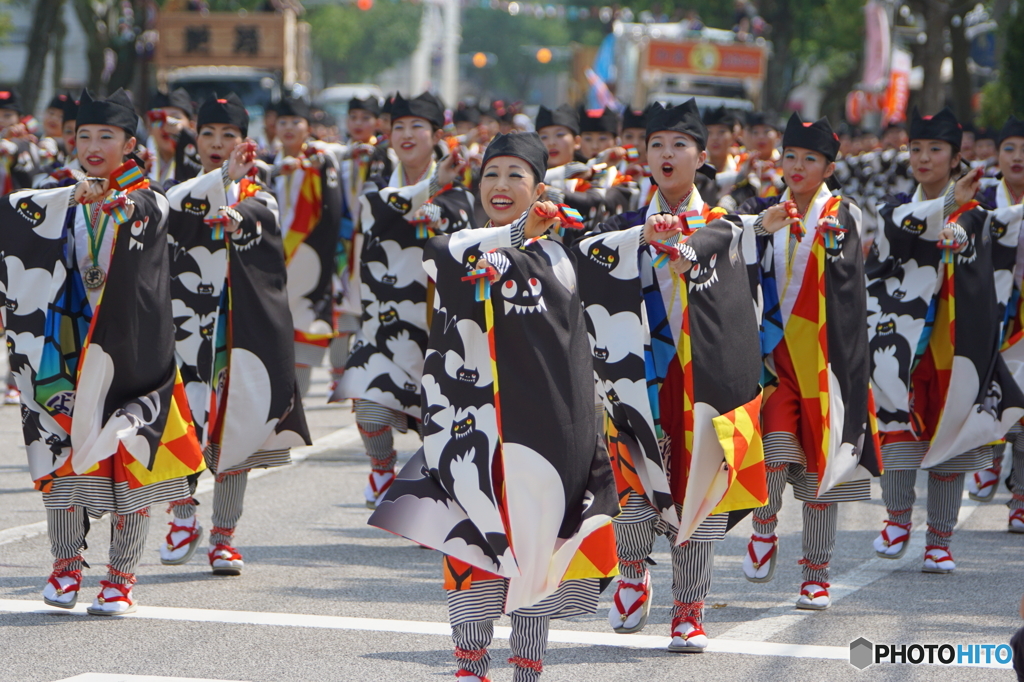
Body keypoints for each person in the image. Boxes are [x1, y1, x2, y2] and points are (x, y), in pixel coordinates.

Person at [369, 132, 620, 681]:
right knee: (468, 547)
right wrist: (513, 237)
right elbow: (444, 257)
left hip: (545, 437)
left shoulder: (565, 255)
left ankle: (526, 669)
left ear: (540, 187)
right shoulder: (463, 244)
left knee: (536, 553)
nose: (501, 186)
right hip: (470, 434)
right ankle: (470, 664)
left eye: (516, 175)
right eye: (492, 174)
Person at [0, 88, 205, 615]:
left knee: (127, 457)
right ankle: (66, 567)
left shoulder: (148, 197)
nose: (93, 145)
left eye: (106, 137)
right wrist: (74, 198)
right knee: (64, 461)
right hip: (64, 349)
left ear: (129, 144)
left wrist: (122, 202)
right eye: (84, 135)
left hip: (129, 348)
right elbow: (18, 220)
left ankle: (121, 577)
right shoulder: (56, 198)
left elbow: (148, 213)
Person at [579, 99, 765, 653]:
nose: (667, 154)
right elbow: (588, 256)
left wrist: (687, 246)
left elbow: (735, 247)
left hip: (702, 379)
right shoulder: (620, 224)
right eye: (656, 144)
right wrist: (641, 239)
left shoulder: (726, 223)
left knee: (699, 494)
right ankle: (633, 572)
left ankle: (690, 609)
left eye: (679, 145)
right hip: (640, 378)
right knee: (634, 496)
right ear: (644, 157)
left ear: (703, 157)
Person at [866, 107, 1024, 573]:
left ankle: (939, 539)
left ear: (957, 156)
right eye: (916, 148)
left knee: (949, 438)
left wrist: (963, 237)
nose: (923, 157)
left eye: (935, 149)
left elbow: (991, 246)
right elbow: (901, 232)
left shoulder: (976, 214)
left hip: (954, 348)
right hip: (901, 345)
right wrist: (948, 212)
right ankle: (896, 520)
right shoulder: (894, 207)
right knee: (897, 431)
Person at [159, 93, 312, 574]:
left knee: (234, 431)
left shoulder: (259, 195)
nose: (217, 143)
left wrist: (238, 216)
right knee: (178, 424)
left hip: (237, 335)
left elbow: (264, 223)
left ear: (246, 143)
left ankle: (224, 535)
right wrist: (220, 184)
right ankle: (183, 515)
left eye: (229, 136)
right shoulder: (175, 191)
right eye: (208, 134)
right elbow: (171, 212)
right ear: (195, 140)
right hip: (182, 331)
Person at [737, 113, 881, 609]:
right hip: (775, 364)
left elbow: (847, 282)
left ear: (829, 167)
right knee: (773, 457)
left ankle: (815, 575)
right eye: (791, 156)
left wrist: (828, 239)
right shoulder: (763, 212)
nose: (797, 167)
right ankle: (764, 522)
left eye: (810, 159)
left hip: (825, 365)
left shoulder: (843, 214)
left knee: (822, 477)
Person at [335, 91, 474, 508]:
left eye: (418, 126)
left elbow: (459, 221)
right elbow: (376, 212)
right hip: (383, 324)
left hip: (436, 330)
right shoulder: (378, 185)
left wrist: (439, 210)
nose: (407, 134)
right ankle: (381, 471)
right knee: (368, 409)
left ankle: (432, 496)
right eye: (399, 127)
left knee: (436, 429)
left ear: (436, 136)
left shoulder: (459, 192)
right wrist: (431, 187)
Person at [268, 95, 343, 397]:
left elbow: (331, 214)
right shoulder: (264, 163)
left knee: (303, 338)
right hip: (271, 261)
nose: (288, 128)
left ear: (308, 126)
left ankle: (294, 407)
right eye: (282, 122)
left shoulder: (320, 163)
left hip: (309, 260)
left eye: (295, 122)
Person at [969, 116, 1024, 524]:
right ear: (997, 154)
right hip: (989, 309)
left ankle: (1020, 496)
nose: (1018, 157)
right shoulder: (981, 198)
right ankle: (990, 454)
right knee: (990, 388)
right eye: (1009, 148)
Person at [328, 96, 392, 398]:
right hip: (342, 242)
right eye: (353, 116)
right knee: (340, 309)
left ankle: (364, 369)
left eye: (366, 117)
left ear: (378, 123)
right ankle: (337, 373)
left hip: (372, 241)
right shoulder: (337, 155)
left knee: (369, 308)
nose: (358, 123)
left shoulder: (386, 156)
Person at [145, 87, 202, 189]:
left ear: (191, 126)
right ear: (149, 126)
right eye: (159, 118)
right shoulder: (138, 160)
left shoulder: (201, 162)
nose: (167, 125)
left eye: (175, 118)